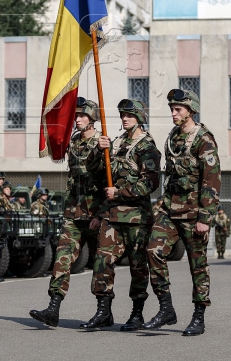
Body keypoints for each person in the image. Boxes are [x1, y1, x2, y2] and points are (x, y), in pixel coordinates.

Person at [143, 89, 220, 337]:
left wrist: (205, 218)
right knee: (153, 251)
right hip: (170, 209)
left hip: (194, 213)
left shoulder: (204, 140)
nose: (173, 113)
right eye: (172, 109)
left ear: (190, 111)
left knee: (198, 266)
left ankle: (199, 316)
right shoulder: (172, 138)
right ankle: (166, 308)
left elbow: (212, 181)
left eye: (178, 109)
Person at [80, 99, 161, 331]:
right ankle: (103, 311)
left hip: (136, 217)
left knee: (138, 266)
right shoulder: (115, 144)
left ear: (140, 117)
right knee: (102, 261)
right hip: (112, 215)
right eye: (122, 115)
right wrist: (98, 149)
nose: (124, 118)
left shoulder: (147, 147)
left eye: (129, 115)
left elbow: (151, 183)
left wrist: (121, 192)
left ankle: (137, 313)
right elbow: (95, 171)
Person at [30, 98, 106, 328]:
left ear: (93, 118)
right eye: (77, 115)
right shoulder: (74, 143)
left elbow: (110, 183)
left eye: (83, 115)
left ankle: (104, 310)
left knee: (103, 264)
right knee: (62, 258)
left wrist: (100, 214)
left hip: (96, 214)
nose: (78, 119)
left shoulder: (103, 143)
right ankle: (53, 308)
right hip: (74, 213)